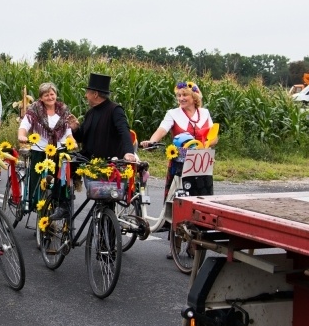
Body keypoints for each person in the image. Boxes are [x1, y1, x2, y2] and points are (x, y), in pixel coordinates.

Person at [63, 73, 136, 220]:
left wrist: (129, 152)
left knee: (108, 205)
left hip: (108, 163)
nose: (85, 96)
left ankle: (107, 239)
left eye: (87, 92)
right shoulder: (90, 112)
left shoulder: (115, 110)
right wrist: (76, 128)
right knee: (62, 165)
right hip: (89, 159)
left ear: (95, 94)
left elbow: (124, 131)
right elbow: (82, 137)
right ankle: (62, 206)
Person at [141, 80, 217, 198]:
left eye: (185, 95)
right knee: (176, 197)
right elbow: (162, 130)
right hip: (180, 163)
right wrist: (152, 141)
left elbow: (214, 137)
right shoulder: (173, 114)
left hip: (201, 163)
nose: (181, 98)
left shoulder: (205, 113)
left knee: (202, 197)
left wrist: (206, 144)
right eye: (179, 95)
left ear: (194, 97)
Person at [17, 82, 73, 214]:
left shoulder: (63, 110)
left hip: (59, 150)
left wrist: (71, 140)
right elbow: (24, 126)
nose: (50, 97)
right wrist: (22, 135)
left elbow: (68, 129)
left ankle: (59, 205)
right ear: (41, 97)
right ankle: (37, 206)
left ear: (56, 95)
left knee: (60, 181)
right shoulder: (34, 110)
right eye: (46, 95)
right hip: (40, 150)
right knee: (38, 181)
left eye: (52, 94)